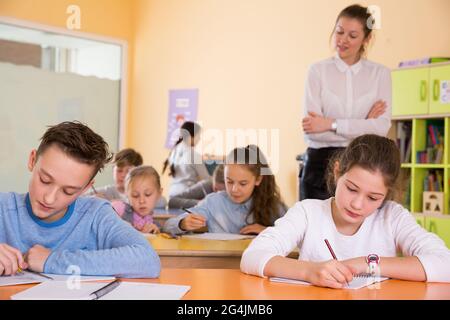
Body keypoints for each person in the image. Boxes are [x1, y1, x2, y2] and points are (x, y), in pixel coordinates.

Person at [241, 134, 450, 287]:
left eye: (373, 198)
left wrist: (366, 264)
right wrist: (310, 271)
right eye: (351, 188)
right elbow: (252, 257)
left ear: (386, 195)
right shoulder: (308, 213)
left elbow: (445, 264)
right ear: (337, 171)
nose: (357, 204)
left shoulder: (392, 217)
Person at [0, 121, 160, 277]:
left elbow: (148, 260)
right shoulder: (3, 207)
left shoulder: (96, 215)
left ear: (85, 188)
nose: (49, 199)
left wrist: (52, 260)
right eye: (45, 180)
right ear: (32, 160)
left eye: (68, 191)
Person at [300, 4, 391, 200]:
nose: (342, 40)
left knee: (355, 229)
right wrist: (364, 125)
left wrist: (329, 124)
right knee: (315, 228)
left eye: (352, 35)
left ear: (366, 39)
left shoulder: (380, 74)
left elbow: (381, 128)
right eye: (339, 32)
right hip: (319, 167)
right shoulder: (317, 71)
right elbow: (313, 132)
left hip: (362, 163)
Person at [163, 145, 287, 235]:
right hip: (219, 267)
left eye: (243, 184)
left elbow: (298, 234)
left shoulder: (273, 205)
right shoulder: (213, 202)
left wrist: (267, 231)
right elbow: (168, 226)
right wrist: (182, 223)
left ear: (258, 180)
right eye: (229, 181)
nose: (234, 189)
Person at [87, 148, 167, 208]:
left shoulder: (142, 192)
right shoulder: (106, 192)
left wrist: (112, 203)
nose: (123, 175)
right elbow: (80, 197)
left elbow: (162, 202)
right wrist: (92, 199)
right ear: (113, 171)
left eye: (128, 171)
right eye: (119, 171)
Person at [163, 121, 210, 198]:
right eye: (198, 135)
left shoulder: (174, 151)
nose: (199, 138)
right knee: (209, 184)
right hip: (186, 194)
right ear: (191, 136)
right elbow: (206, 179)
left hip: (172, 193)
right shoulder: (194, 155)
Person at [112, 165, 162, 234]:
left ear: (159, 193)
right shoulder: (121, 210)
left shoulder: (154, 225)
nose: (141, 201)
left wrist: (157, 233)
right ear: (127, 195)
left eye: (147, 194)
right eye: (135, 196)